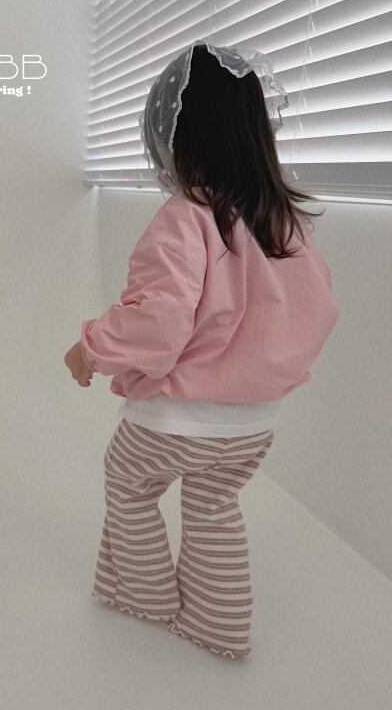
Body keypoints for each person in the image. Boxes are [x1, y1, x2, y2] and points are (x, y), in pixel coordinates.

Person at [64, 40, 340, 660]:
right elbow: (317, 310)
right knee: (215, 507)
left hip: (173, 418)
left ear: (177, 138)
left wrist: (91, 348)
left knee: (129, 490)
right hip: (251, 425)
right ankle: (220, 626)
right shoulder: (285, 222)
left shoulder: (188, 215)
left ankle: (146, 598)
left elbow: (158, 321)